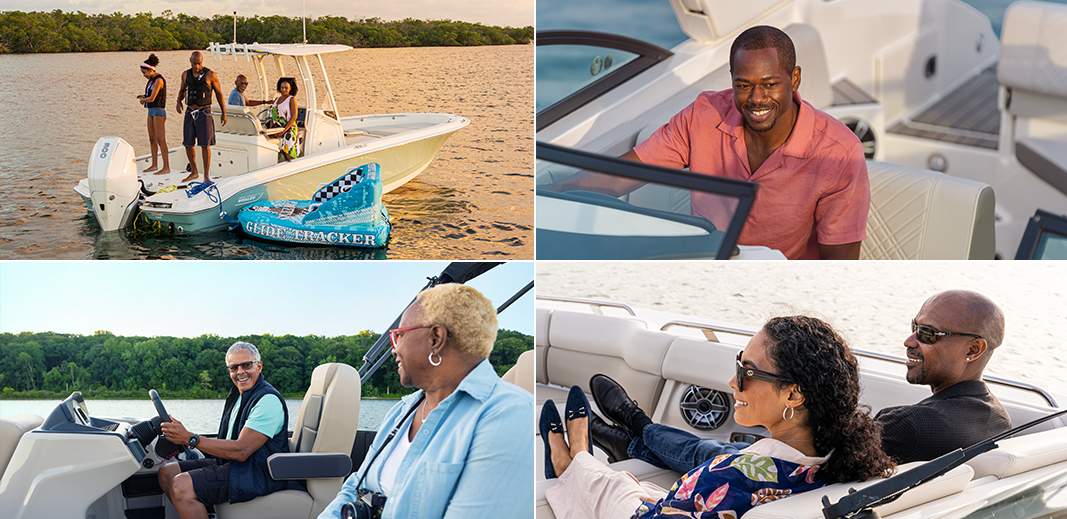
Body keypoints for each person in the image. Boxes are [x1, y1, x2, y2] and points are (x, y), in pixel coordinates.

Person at [590, 290, 1012, 473]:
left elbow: (810, 451)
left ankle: (635, 430)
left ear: (974, 350)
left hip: (789, 475)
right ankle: (632, 433)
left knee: (709, 449)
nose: (909, 340)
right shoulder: (997, 419)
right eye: (914, 326)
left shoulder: (914, 428)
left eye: (928, 334)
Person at [544, 26, 870, 260]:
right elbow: (617, 176)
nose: (756, 99)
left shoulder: (840, 153)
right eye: (743, 85)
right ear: (731, 78)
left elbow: (838, 263)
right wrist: (547, 198)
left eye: (769, 84)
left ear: (794, 79)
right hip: (700, 258)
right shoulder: (703, 114)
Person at [541, 316, 894, 519]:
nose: (732, 382)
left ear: (793, 394)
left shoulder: (732, 474)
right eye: (737, 364)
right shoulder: (839, 465)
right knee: (635, 485)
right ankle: (616, 440)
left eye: (746, 372)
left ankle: (572, 459)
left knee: (609, 483)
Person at [317, 284, 534, 519]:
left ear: (435, 339)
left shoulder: (511, 415)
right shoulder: (402, 410)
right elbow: (354, 488)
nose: (394, 349)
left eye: (398, 336)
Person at [157, 342, 288, 519]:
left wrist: (190, 438)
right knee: (167, 473)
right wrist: (184, 434)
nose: (240, 372)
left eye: (246, 365)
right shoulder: (238, 395)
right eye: (234, 367)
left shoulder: (267, 400)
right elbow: (227, 439)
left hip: (258, 473)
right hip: (235, 465)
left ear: (259, 366)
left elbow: (242, 450)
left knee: (181, 485)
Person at [176, 50, 226, 184]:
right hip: (189, 112)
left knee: (205, 145)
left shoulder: (210, 74)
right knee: (188, 144)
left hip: (204, 112)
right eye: (194, 63)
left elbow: (219, 93)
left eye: (199, 63)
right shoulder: (185, 74)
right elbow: (182, 90)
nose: (196, 66)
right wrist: (178, 102)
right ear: (190, 61)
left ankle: (206, 176)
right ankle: (194, 172)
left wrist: (223, 112)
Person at [136, 54, 170, 175]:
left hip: (158, 112)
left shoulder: (159, 80)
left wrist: (143, 100)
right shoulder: (151, 80)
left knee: (161, 140)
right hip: (151, 112)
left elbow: (152, 98)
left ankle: (166, 167)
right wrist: (143, 96)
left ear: (151, 70)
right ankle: (154, 165)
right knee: (152, 139)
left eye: (144, 73)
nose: (143, 75)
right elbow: (149, 96)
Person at [268, 77, 300, 162]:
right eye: (282, 87)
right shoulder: (277, 99)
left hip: (288, 130)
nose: (284, 90)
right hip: (277, 129)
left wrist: (283, 131)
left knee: (288, 156)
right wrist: (271, 129)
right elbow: (273, 115)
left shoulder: (291, 99)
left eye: (286, 88)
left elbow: (294, 117)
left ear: (290, 88)